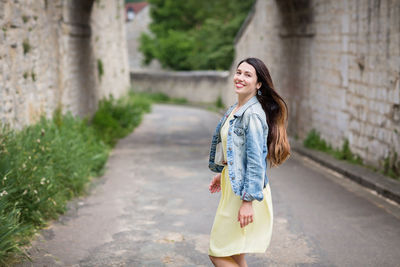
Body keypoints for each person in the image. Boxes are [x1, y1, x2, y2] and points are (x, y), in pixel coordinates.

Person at [208, 57, 290, 267]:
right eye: (238, 72)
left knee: (217, 252)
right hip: (234, 187)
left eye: (247, 75)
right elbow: (238, 153)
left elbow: (255, 161)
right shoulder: (235, 109)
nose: (240, 78)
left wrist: (247, 202)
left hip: (243, 194)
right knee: (236, 254)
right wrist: (223, 173)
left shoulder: (252, 115)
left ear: (258, 84)